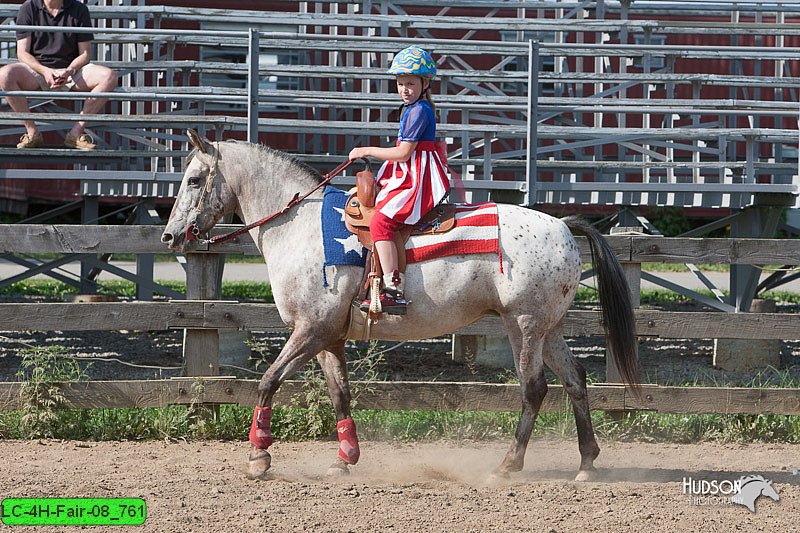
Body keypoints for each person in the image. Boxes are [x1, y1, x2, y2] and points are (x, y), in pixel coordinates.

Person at [348, 46, 451, 315]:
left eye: (411, 83)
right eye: (400, 83)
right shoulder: (411, 108)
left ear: (424, 83)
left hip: (418, 175)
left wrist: (365, 150)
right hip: (409, 169)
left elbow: (404, 153)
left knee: (381, 221)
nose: (405, 89)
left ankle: (394, 288)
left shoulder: (419, 111)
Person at [0, 0, 117, 150]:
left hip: (72, 71)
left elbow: (85, 54)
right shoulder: (28, 8)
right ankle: (32, 132)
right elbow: (22, 53)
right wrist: (45, 71)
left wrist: (69, 70)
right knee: (4, 75)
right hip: (37, 70)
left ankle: (76, 133)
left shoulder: (79, 9)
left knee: (108, 77)